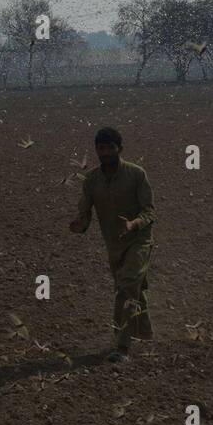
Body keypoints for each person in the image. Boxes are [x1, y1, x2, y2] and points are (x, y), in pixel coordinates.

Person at [69, 126, 156, 363]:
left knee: (126, 289)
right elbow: (84, 212)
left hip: (139, 240)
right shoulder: (92, 180)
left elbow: (149, 211)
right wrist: (79, 224)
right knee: (133, 290)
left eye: (110, 148)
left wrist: (133, 224)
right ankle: (146, 338)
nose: (105, 152)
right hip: (114, 247)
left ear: (120, 149)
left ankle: (122, 346)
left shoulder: (136, 174)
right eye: (101, 148)